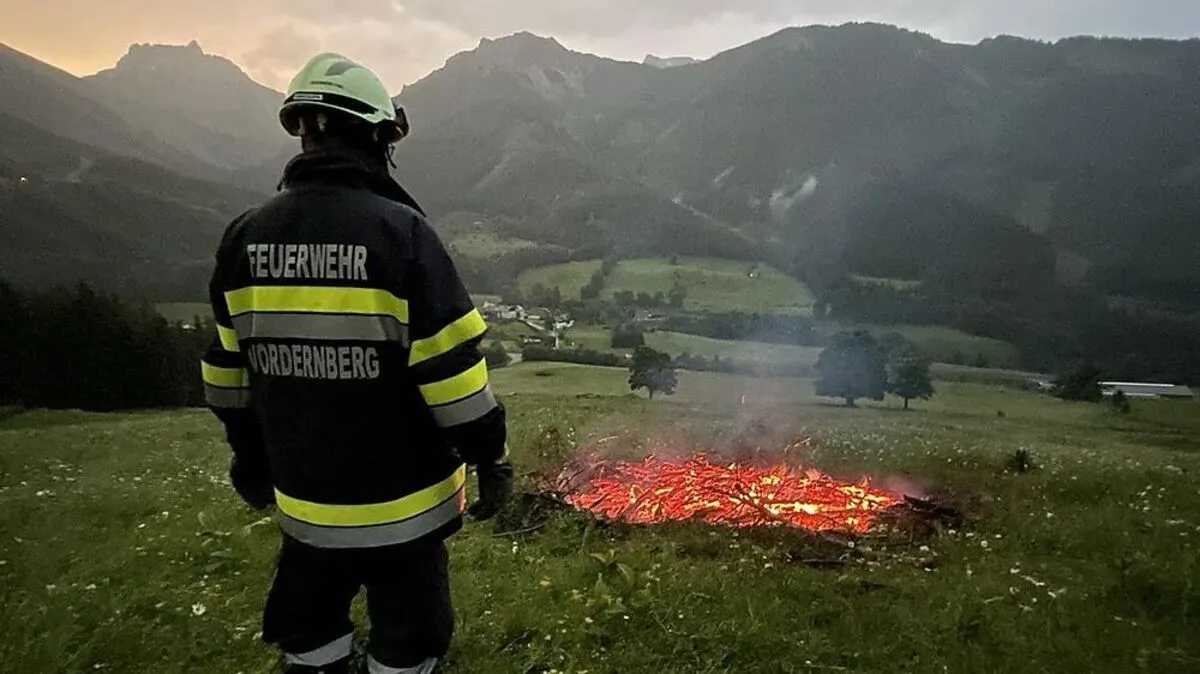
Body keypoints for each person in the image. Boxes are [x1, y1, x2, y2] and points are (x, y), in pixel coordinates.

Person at [200, 52, 513, 674]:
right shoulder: (402, 233)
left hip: (306, 504)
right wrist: (489, 456)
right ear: (375, 135)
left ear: (304, 131)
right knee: (408, 637)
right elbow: (451, 373)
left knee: (309, 628)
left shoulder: (245, 236)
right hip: (407, 508)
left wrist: (248, 453)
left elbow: (226, 371)